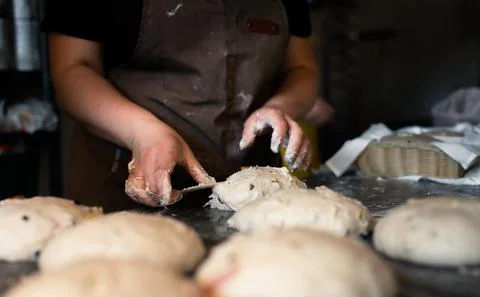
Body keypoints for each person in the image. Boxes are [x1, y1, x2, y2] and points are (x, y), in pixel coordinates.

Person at [42, 0, 319, 212]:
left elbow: (301, 68)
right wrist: (143, 133)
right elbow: (72, 69)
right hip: (125, 188)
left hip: (253, 191)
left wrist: (282, 106)